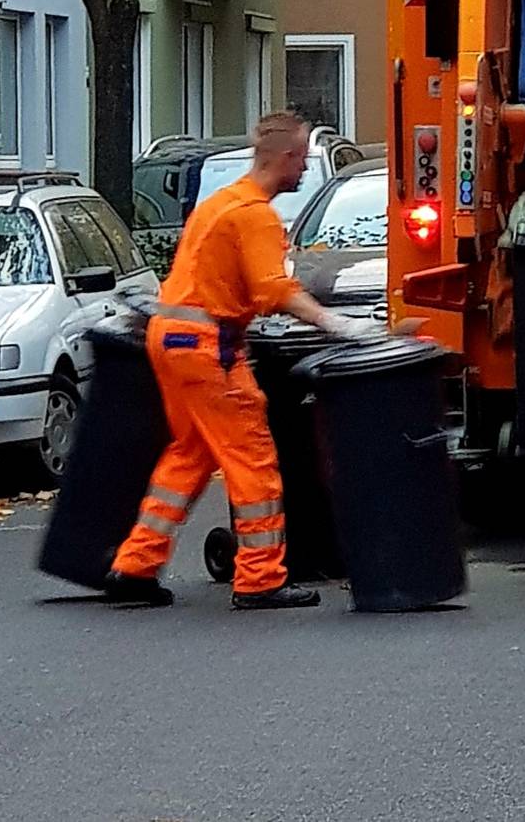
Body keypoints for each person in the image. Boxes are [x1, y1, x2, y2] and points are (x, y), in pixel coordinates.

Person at [107, 113, 379, 610]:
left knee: (189, 455)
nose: (303, 170)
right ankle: (260, 579)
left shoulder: (219, 205)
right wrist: (338, 324)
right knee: (253, 458)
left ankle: (135, 565)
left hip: (170, 340)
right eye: (302, 159)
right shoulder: (254, 214)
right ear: (289, 158)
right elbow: (273, 290)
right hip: (209, 348)